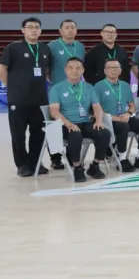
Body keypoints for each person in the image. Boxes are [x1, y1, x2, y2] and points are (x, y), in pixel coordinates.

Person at [0, 17, 52, 176]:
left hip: (40, 100)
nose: (34, 30)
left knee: (38, 134)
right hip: (18, 100)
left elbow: (47, 72)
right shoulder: (13, 48)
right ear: (23, 30)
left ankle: (35, 163)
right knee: (18, 135)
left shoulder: (45, 49)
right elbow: (0, 69)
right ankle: (22, 165)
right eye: (30, 27)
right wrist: (12, 87)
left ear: (41, 30)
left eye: (37, 27)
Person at [48, 57, 111, 183]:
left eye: (78, 68)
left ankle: (95, 165)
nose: (74, 71)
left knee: (104, 133)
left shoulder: (88, 87)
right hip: (65, 124)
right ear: (65, 70)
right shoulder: (56, 88)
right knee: (75, 134)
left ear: (83, 70)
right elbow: (54, 111)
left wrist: (99, 121)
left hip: (86, 122)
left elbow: (97, 107)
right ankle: (77, 167)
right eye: (71, 68)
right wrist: (68, 124)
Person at [95, 59, 139, 172]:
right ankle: (122, 159)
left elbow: (132, 105)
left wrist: (128, 113)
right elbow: (96, 109)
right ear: (105, 71)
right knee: (123, 126)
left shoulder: (125, 85)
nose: (113, 70)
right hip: (108, 120)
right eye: (110, 68)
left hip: (125, 117)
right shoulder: (98, 86)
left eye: (116, 68)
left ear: (120, 70)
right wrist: (115, 118)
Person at [47, 19, 87, 169]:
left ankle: (73, 157)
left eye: (73, 27)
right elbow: (46, 69)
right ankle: (56, 158)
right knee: (54, 124)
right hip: (57, 90)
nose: (70, 30)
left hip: (76, 91)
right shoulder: (52, 46)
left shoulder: (80, 46)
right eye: (67, 27)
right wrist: (56, 83)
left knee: (75, 123)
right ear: (60, 31)